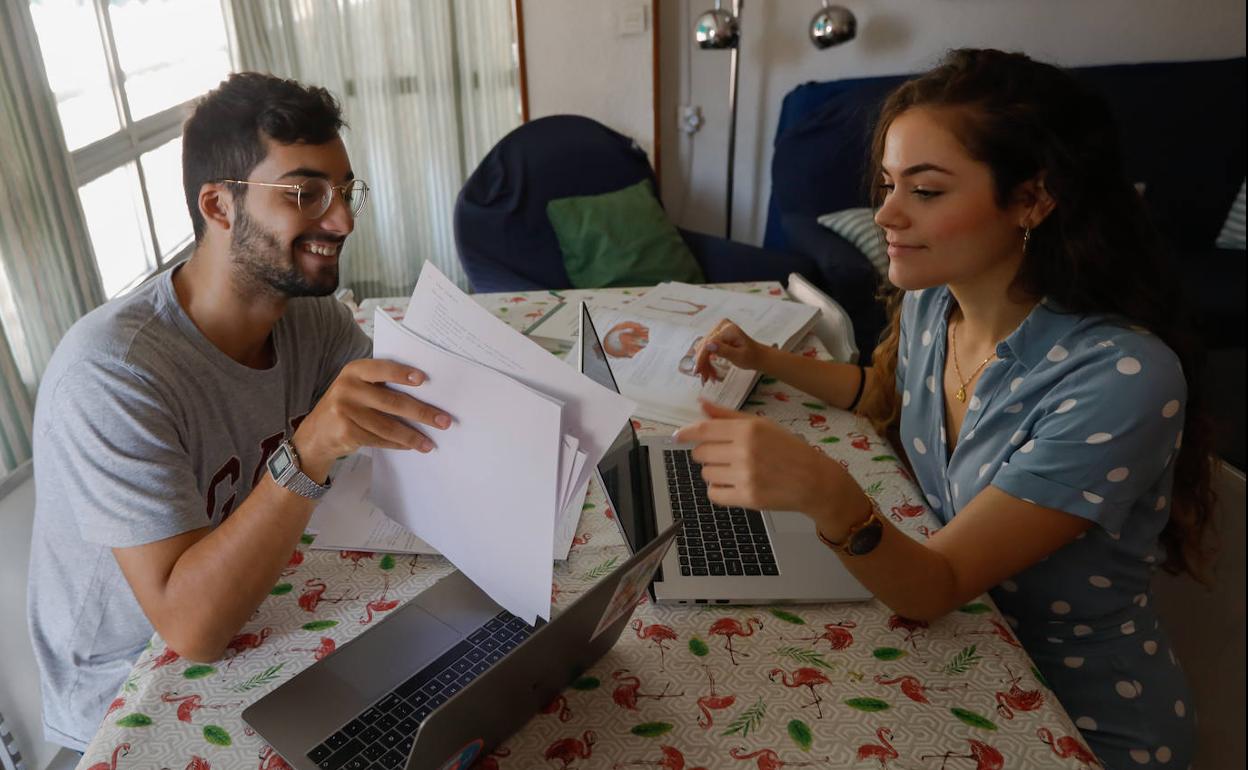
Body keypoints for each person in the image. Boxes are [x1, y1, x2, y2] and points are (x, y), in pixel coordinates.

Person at [679, 49, 1213, 768]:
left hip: (1072, 715)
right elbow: (884, 396)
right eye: (889, 184)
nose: (887, 213)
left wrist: (825, 493)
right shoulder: (937, 303)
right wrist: (766, 359)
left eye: (925, 191)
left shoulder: (1122, 379)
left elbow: (938, 586)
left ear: (1032, 199)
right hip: (963, 650)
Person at [27, 72, 451, 751]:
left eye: (345, 192)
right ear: (219, 207)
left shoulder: (309, 320)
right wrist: (309, 451)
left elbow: (407, 414)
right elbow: (190, 630)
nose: (341, 220)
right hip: (126, 700)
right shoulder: (112, 374)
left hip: (258, 621)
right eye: (304, 194)